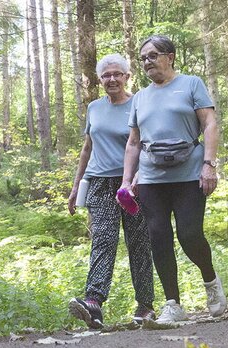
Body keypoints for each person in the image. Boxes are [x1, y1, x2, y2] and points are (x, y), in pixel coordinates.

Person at [120, 35, 227, 324]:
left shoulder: (191, 84)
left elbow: (210, 123)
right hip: (152, 178)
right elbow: (133, 142)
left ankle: (211, 282)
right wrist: (126, 181)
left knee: (190, 234)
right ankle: (173, 304)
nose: (147, 62)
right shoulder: (140, 97)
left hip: (190, 172)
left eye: (153, 55)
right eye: (143, 58)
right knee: (159, 236)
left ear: (170, 56)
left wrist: (209, 165)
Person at [67, 54, 156, 329]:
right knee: (103, 239)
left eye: (118, 74)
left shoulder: (139, 103)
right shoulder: (94, 108)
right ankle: (93, 302)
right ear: (100, 79)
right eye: (106, 75)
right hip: (100, 183)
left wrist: (140, 177)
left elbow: (147, 143)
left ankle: (145, 306)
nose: (112, 79)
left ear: (128, 76)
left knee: (139, 243)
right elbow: (87, 147)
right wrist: (75, 184)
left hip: (133, 185)